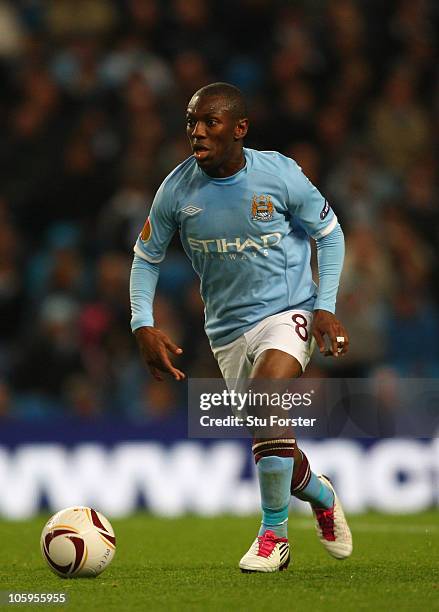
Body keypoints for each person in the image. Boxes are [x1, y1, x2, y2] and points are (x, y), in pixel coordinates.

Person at [130, 82, 352, 572]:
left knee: (266, 395)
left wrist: (326, 307)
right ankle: (317, 490)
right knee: (269, 433)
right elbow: (145, 258)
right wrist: (142, 323)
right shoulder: (176, 189)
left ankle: (273, 537)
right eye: (191, 122)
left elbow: (330, 236)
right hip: (227, 330)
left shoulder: (280, 173)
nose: (197, 132)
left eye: (210, 122)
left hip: (288, 310)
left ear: (239, 128)